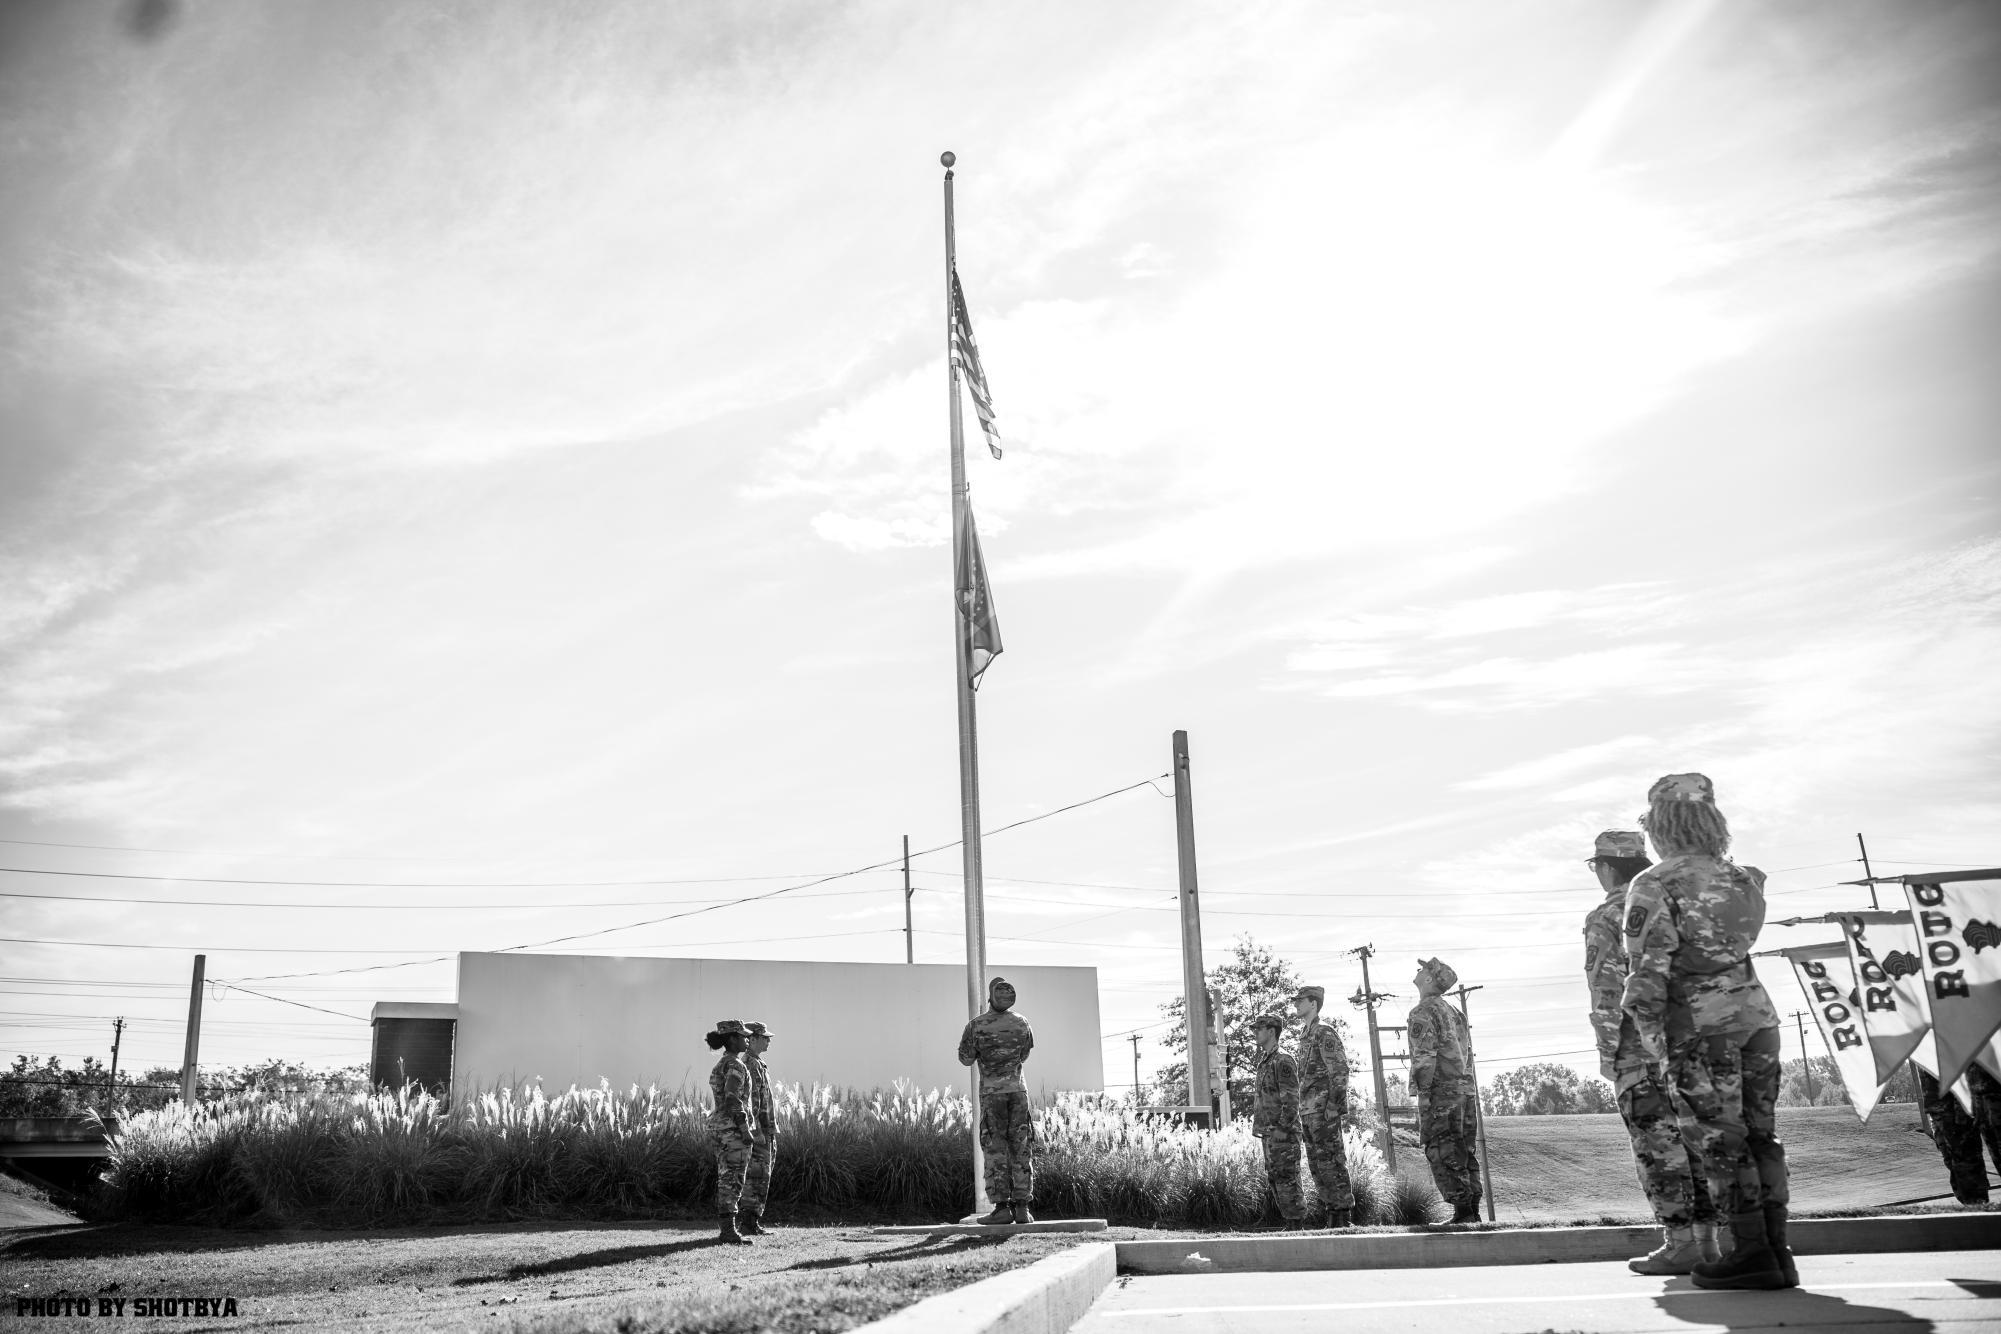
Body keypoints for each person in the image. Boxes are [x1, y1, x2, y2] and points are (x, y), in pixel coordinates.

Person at [1623, 772, 1794, 1290]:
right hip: (1757, 1019)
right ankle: (1776, 1252)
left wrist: (1651, 1040)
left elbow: (1647, 972)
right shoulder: (1743, 878)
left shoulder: (1655, 883)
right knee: (1761, 1136)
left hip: (1698, 1029)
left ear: (1660, 825)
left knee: (1720, 1142)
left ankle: (1750, 1253)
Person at [1584, 828, 1721, 1274]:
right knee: (1697, 1143)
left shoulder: (1608, 913)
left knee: (1657, 1147)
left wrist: (1609, 1054)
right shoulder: (1675, 902)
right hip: (1690, 1045)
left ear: (1605, 868)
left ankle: (1679, 1243)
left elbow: (1606, 990)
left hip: (1638, 1050)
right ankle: (1710, 1245)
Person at [957, 975, 1037, 1224]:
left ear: (990, 997)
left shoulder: (977, 1025)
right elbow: (1024, 1055)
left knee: (995, 1149)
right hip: (1018, 1093)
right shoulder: (1022, 1023)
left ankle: (1002, 1208)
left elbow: (965, 1059)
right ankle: (1023, 1208)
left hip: (993, 1094)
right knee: (1021, 1148)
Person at [1408, 957, 1482, 1223]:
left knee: (1441, 1148)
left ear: (1429, 978)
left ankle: (1462, 1212)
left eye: (1423, 968)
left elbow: (1424, 1057)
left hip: (1441, 1094)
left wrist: (1423, 1095)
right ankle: (1472, 1212)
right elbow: (1468, 1054)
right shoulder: (1455, 1011)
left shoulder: (1423, 1011)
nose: (1418, 970)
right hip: (1464, 1090)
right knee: (1464, 1149)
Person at [1290, 985, 1355, 1227]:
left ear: (1314, 1003)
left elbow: (1339, 1070)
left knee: (1333, 1161)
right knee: (1318, 1165)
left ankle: (1342, 1216)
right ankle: (1332, 1213)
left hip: (1323, 1110)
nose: (1296, 1004)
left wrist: (1333, 1107)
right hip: (1307, 1110)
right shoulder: (1305, 1034)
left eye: (1300, 1000)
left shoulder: (1324, 1032)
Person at [704, 1018, 759, 1245]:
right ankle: (728, 1231)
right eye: (743, 1036)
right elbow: (732, 1097)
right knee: (733, 1179)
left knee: (726, 1176)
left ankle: (728, 1228)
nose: (747, 1039)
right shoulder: (736, 1065)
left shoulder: (722, 1063)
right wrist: (745, 1128)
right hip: (732, 1130)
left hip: (721, 1128)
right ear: (733, 1039)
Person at [1250, 1013, 1307, 1228]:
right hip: (1269, 1132)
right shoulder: (1266, 1061)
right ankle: (1291, 1222)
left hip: (1283, 1132)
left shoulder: (1283, 1060)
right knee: (1275, 1178)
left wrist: (1283, 1128)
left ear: (1271, 1031)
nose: (1256, 1032)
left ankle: (1296, 1224)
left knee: (1288, 1177)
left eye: (1259, 1028)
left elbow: (1291, 1098)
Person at [1918, 1070, 1990, 1205]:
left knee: (1966, 1159)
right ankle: (1971, 1207)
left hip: (1956, 1109)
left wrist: (1960, 1110)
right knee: (1951, 1161)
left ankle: (1978, 1207)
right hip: (1937, 1109)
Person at [740, 1020, 779, 1235]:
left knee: (763, 1174)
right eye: (765, 1037)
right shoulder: (751, 1064)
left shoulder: (757, 1063)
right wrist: (757, 1131)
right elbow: (751, 1100)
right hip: (760, 1130)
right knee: (756, 1175)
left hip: (767, 1128)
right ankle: (748, 1222)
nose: (768, 1041)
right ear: (751, 1039)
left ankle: (752, 1221)